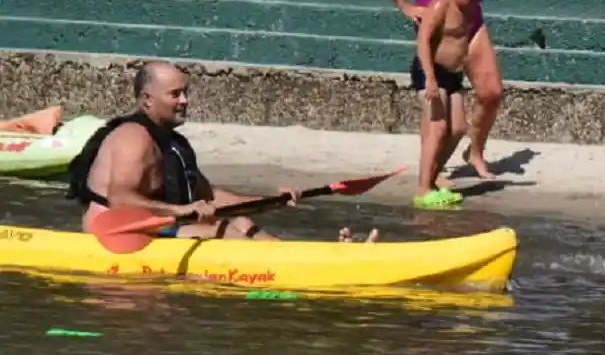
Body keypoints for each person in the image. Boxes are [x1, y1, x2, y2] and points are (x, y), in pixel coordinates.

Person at [66, 61, 377, 243]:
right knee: (224, 230)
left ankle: (317, 257)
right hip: (117, 237)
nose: (185, 101)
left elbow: (212, 197)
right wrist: (181, 211)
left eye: (186, 92)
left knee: (243, 223)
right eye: (175, 94)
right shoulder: (133, 137)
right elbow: (121, 200)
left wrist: (272, 201)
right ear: (147, 99)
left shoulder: (175, 143)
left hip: (158, 229)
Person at [377, 0, 504, 182]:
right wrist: (406, 5)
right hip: (438, 31)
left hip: (472, 26)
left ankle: (475, 152)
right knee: (436, 114)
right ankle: (430, 174)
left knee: (492, 93)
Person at [413, 0, 492, 209]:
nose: (476, 3)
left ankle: (432, 178)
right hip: (431, 72)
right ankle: (423, 190)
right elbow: (423, 41)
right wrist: (429, 78)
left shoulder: (470, 7)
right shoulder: (441, 4)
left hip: (453, 75)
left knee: (457, 129)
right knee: (437, 129)